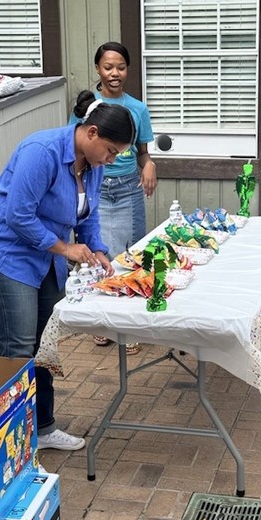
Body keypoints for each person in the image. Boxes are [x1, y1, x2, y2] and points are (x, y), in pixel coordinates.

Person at [0, 91, 135, 451]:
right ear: (90, 133)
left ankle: (42, 429)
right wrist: (65, 248)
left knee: (45, 345)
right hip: (8, 254)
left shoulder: (93, 165)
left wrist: (97, 250)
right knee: (19, 346)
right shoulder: (42, 151)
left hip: (46, 259)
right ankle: (9, 440)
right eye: (111, 150)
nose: (113, 159)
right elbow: (18, 215)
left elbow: (88, 216)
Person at [70, 41, 156, 353]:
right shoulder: (86, 108)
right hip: (96, 188)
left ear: (128, 70)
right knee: (99, 256)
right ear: (98, 69)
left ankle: (128, 324)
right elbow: (75, 148)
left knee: (131, 255)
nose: (114, 73)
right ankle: (104, 322)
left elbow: (143, 154)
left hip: (127, 187)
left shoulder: (138, 108)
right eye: (108, 67)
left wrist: (149, 165)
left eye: (120, 67)